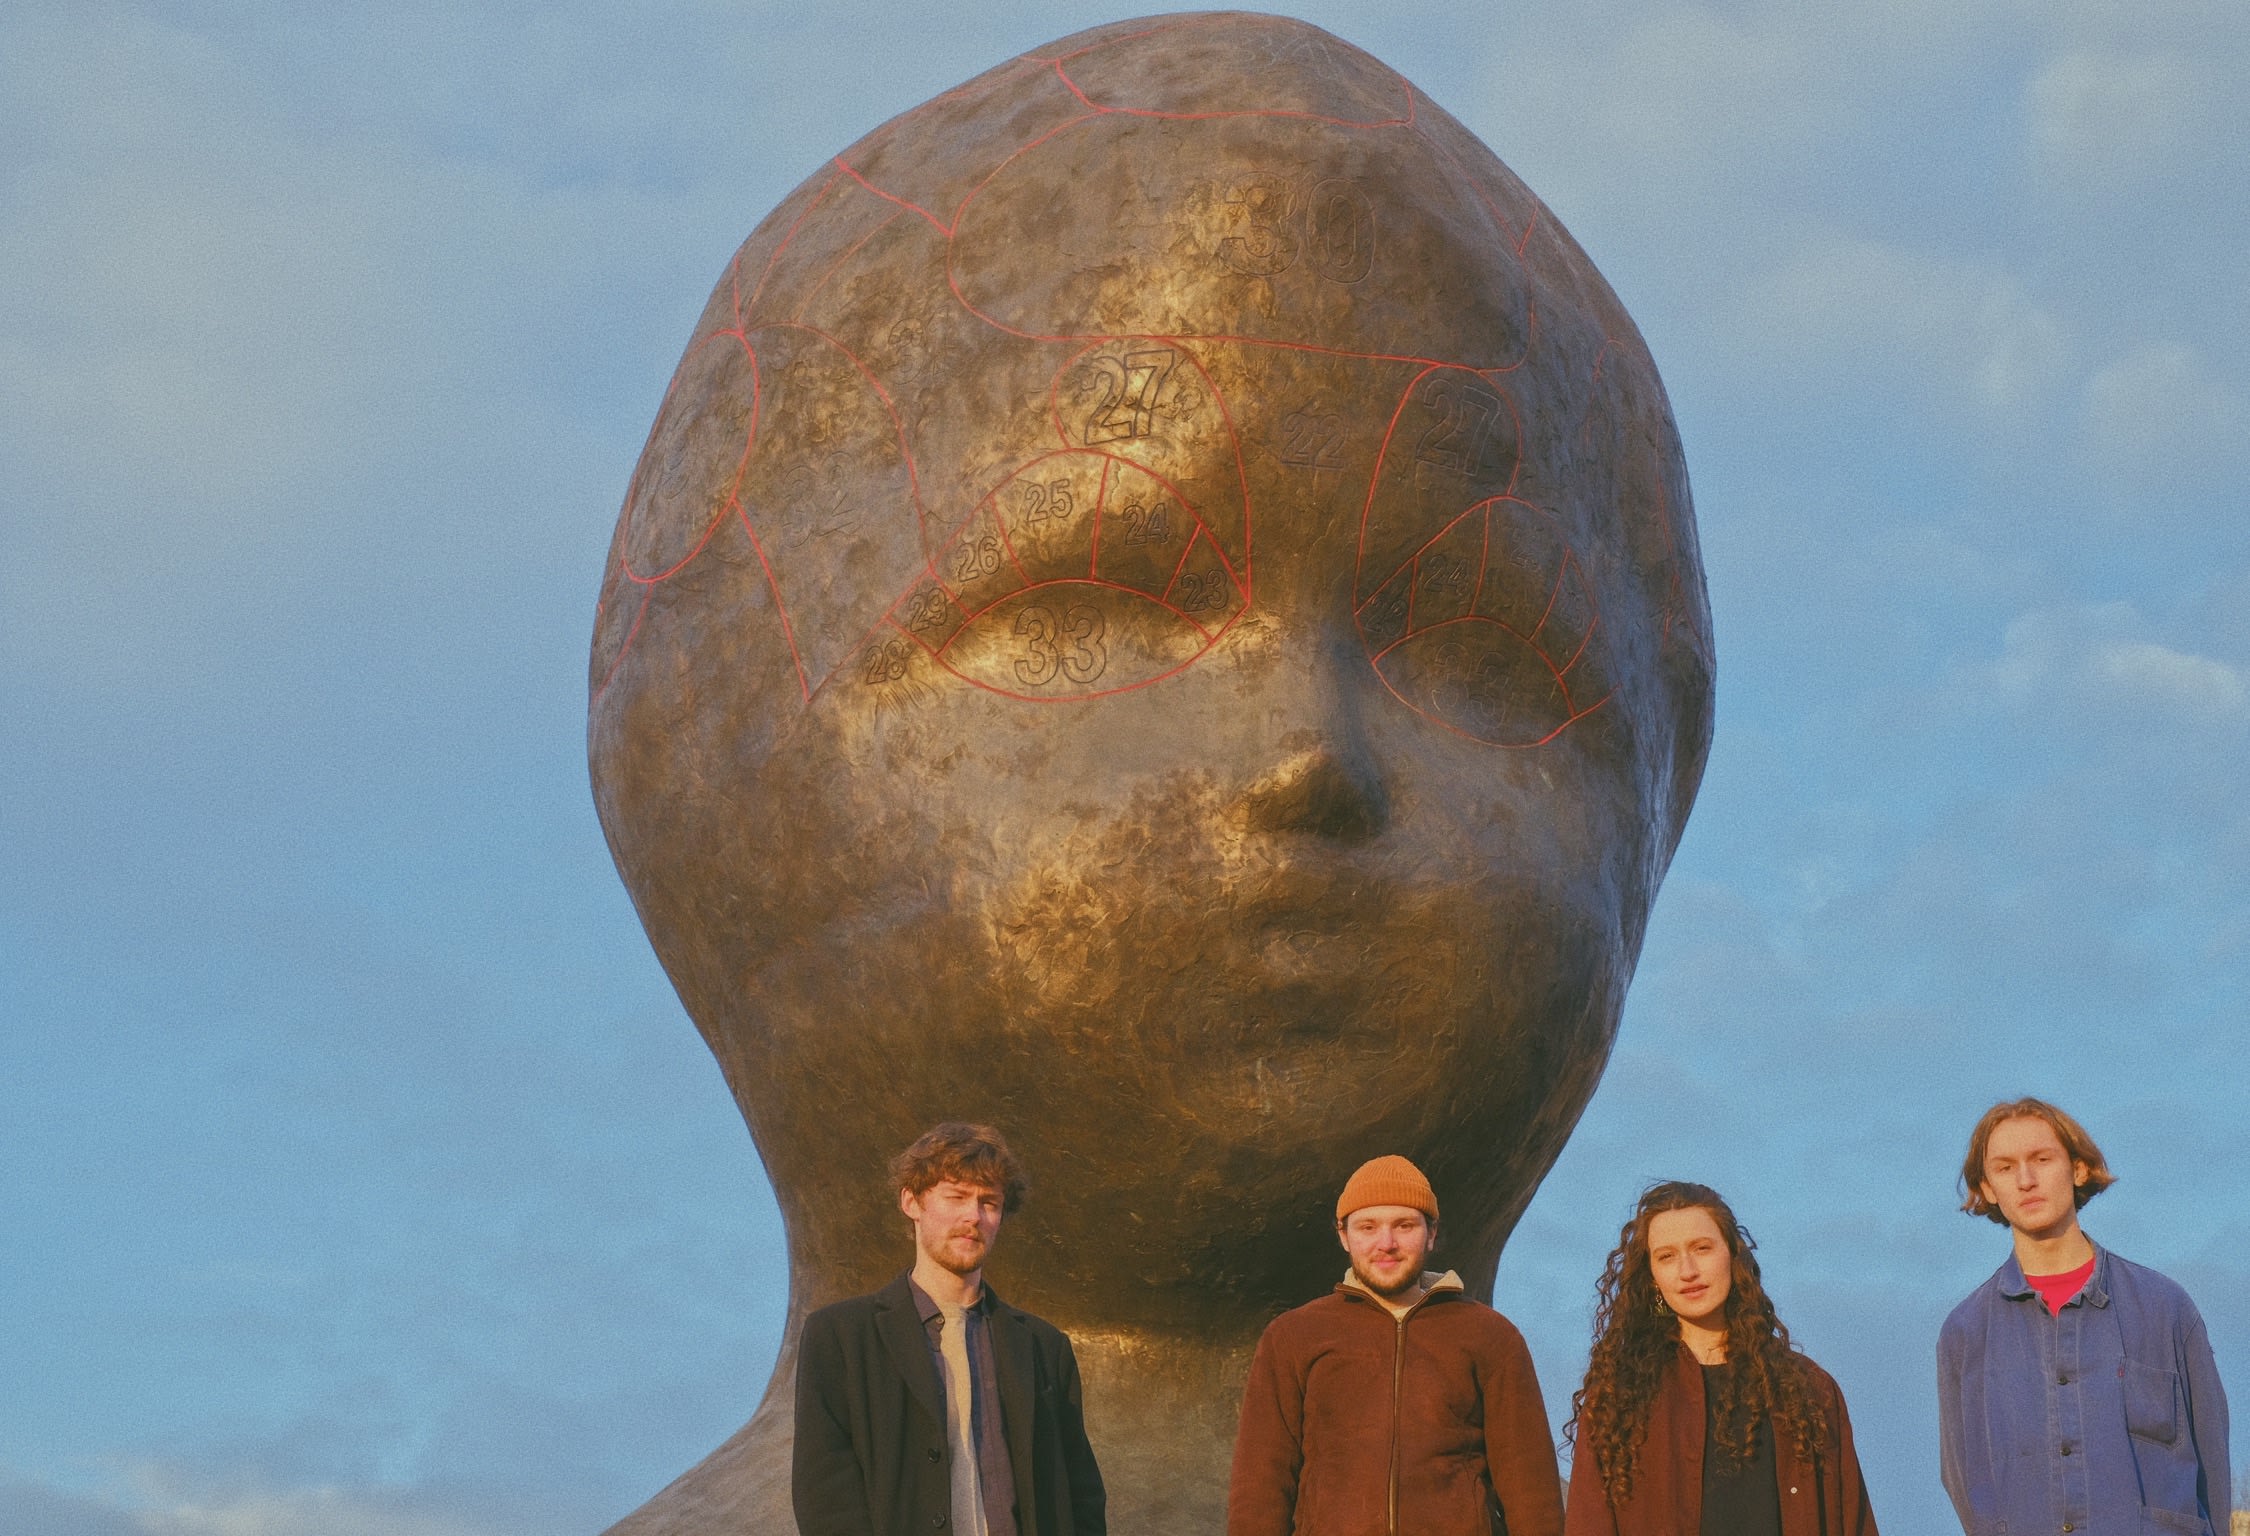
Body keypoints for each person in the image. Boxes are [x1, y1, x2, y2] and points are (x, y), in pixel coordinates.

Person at [792, 1123, 1105, 1536]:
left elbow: (1082, 1497)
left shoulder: (1044, 1348)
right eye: (956, 1196)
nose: (973, 1216)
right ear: (911, 1201)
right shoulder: (840, 1338)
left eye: (989, 1202)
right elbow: (825, 1498)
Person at [1227, 1155, 1564, 1536]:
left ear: (1431, 1233)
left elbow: (1531, 1490)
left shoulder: (1491, 1336)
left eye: (1404, 1226)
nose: (1386, 1243)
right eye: (1368, 1227)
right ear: (1343, 1235)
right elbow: (1260, 1487)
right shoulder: (1293, 1336)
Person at [1939, 1097, 2231, 1536]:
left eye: (2042, 1159)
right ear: (1988, 1189)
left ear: (2078, 1169)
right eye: (2005, 1167)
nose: (2025, 1180)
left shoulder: (2165, 1309)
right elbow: (1966, 1484)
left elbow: (2213, 1469)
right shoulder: (1965, 1335)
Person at [1564, 1181, 1877, 1536]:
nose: (1688, 1270)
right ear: (1652, 1279)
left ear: (1732, 1255)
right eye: (1667, 1256)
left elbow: (1854, 1521)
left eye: (1701, 1248)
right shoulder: (1619, 1399)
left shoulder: (1808, 1389)